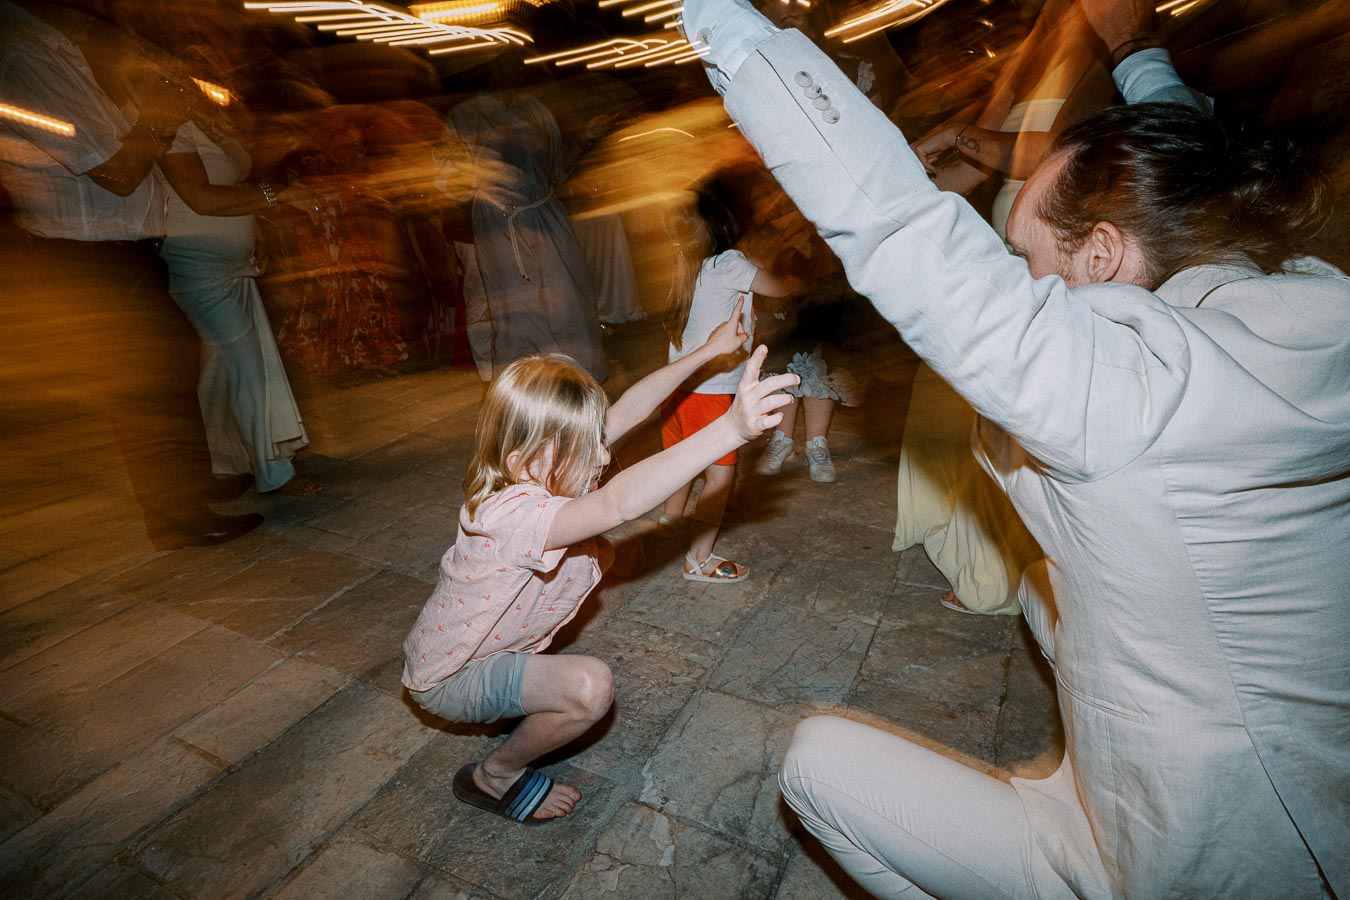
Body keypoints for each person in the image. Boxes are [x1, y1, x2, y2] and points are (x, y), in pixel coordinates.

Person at [680, 1, 1349, 897]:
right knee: (1039, 586)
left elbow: (898, 223)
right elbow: (1193, 176)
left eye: (1024, 257)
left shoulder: (1126, 393)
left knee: (813, 761)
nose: (1015, 278)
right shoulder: (1305, 300)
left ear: (1105, 253)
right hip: (1284, 775)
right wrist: (1135, 51)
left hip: (1177, 850)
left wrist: (722, 18)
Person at [401, 308, 797, 824]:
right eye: (588, 449)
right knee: (590, 688)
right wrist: (730, 429)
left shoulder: (539, 460)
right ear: (528, 460)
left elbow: (631, 407)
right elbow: (617, 505)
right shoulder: (513, 514)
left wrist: (708, 351)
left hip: (474, 650)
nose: (604, 458)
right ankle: (493, 776)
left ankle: (512, 704)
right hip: (453, 678)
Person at [0, 0, 262, 548]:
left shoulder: (69, 52)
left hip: (113, 251)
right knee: (145, 387)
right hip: (86, 257)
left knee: (166, 371)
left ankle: (185, 485)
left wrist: (165, 112)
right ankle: (176, 517)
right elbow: (117, 173)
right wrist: (160, 115)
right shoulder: (27, 54)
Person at [158, 112, 320, 495]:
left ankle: (226, 462)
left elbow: (235, 182)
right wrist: (275, 195)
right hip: (195, 262)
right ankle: (274, 473)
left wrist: (255, 226)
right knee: (248, 363)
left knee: (219, 367)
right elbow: (199, 197)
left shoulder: (211, 119)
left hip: (234, 262)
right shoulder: (165, 128)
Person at [659, 183, 797, 582]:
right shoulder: (729, 263)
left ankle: (669, 525)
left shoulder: (683, 260)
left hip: (677, 387)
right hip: (712, 391)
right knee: (719, 478)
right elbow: (779, 287)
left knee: (679, 464)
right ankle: (698, 560)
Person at [442, 66, 607, 383]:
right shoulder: (464, 115)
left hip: (544, 214)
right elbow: (447, 177)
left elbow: (556, 170)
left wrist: (586, 140)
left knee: (568, 298)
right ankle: (525, 387)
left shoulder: (534, 107)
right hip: (498, 221)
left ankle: (577, 380)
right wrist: (478, 182)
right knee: (515, 309)